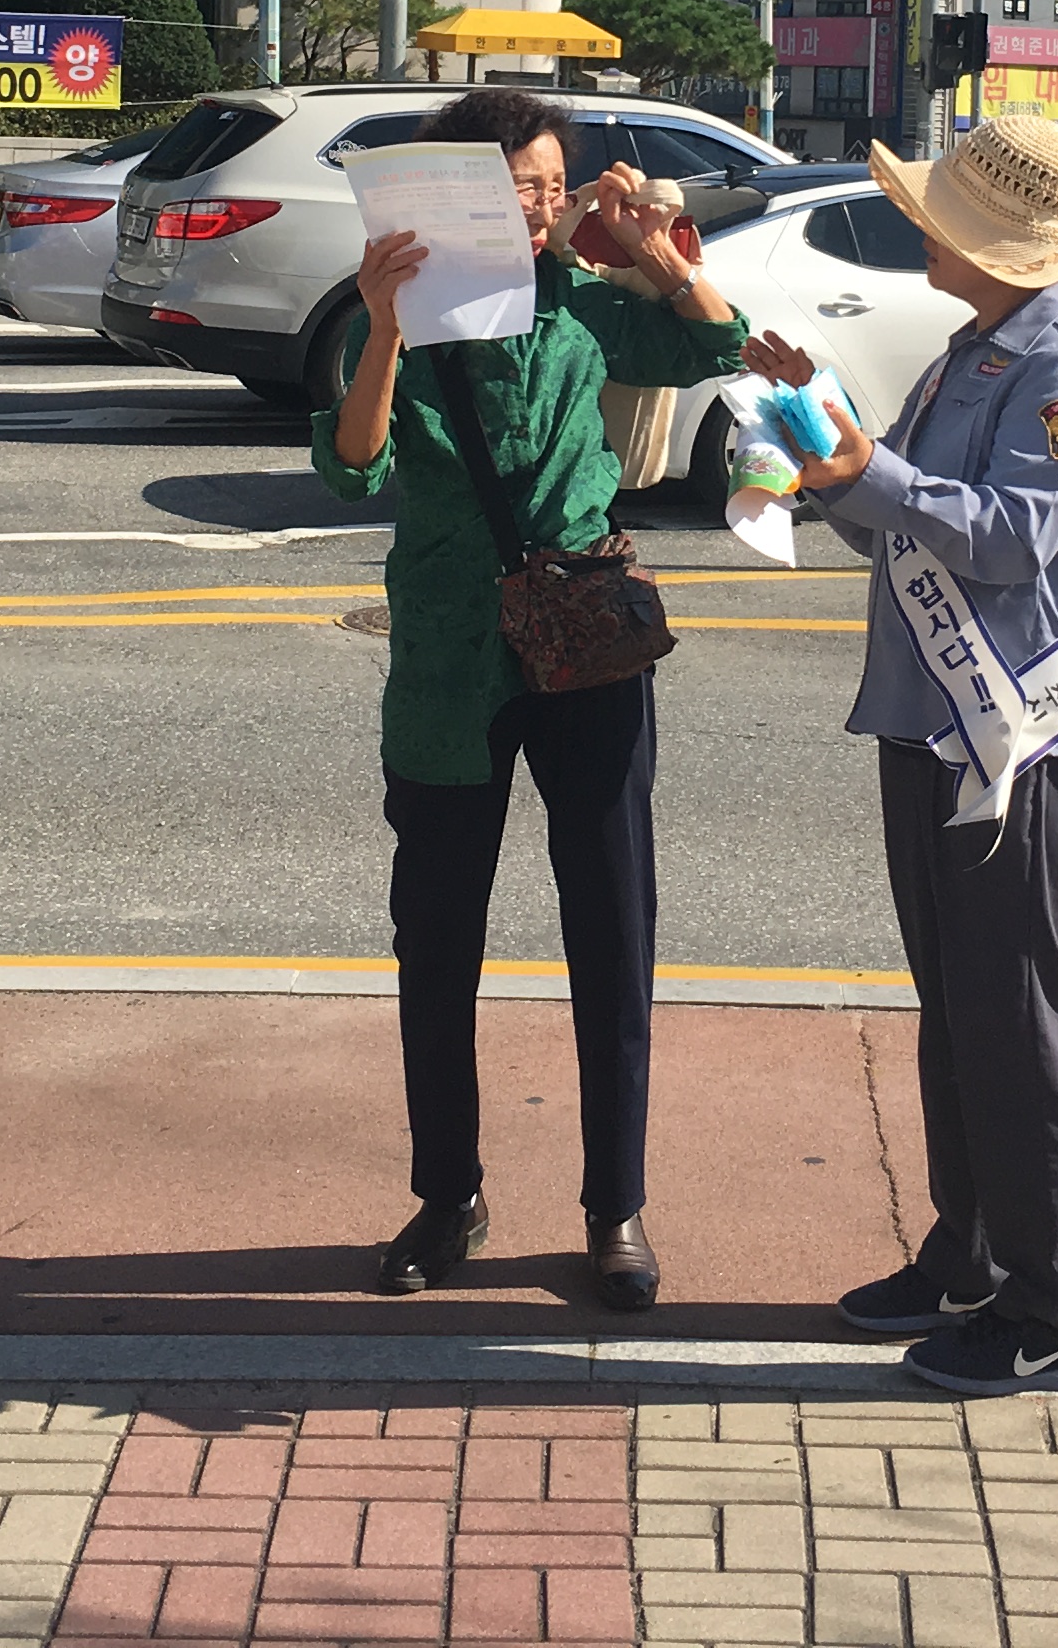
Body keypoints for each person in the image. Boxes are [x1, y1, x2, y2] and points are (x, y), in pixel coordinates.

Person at [313, 84, 748, 1313]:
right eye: (522, 190)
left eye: (554, 190)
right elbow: (351, 469)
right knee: (436, 938)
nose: (544, 211)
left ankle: (617, 1207)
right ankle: (446, 1194)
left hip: (586, 644)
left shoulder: (582, 307)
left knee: (612, 926)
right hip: (451, 660)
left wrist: (656, 251)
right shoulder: (392, 314)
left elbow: (716, 346)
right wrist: (385, 331)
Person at [741, 113, 1058, 1397]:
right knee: (962, 1013)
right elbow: (902, 529)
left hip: (1023, 745)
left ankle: (1054, 1311)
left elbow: (1014, 535)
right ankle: (969, 1259)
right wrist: (830, 447)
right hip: (933, 722)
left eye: (941, 218)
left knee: (1021, 1026)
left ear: (1003, 246)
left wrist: (870, 468)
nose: (920, 228)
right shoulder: (974, 352)